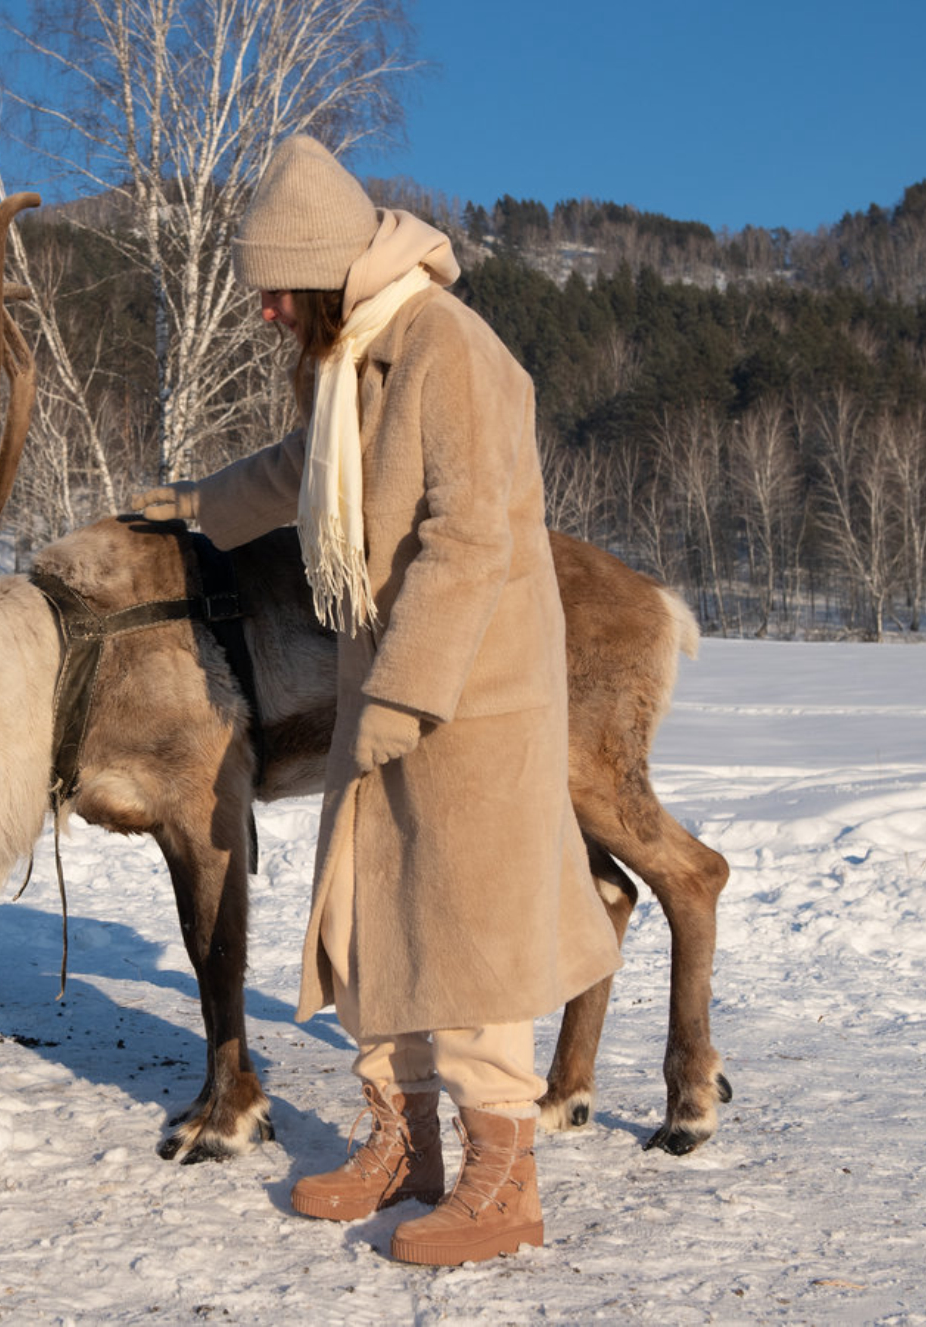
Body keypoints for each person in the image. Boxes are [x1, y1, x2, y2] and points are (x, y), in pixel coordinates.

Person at [129, 135, 620, 1266]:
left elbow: (469, 539)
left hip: (469, 690)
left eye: (274, 291)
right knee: (370, 914)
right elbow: (299, 467)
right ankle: (404, 1143)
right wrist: (196, 505)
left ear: (320, 272)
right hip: (388, 675)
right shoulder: (354, 355)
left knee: (469, 931)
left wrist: (404, 691)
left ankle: (504, 1177)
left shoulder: (451, 349)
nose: (265, 314)